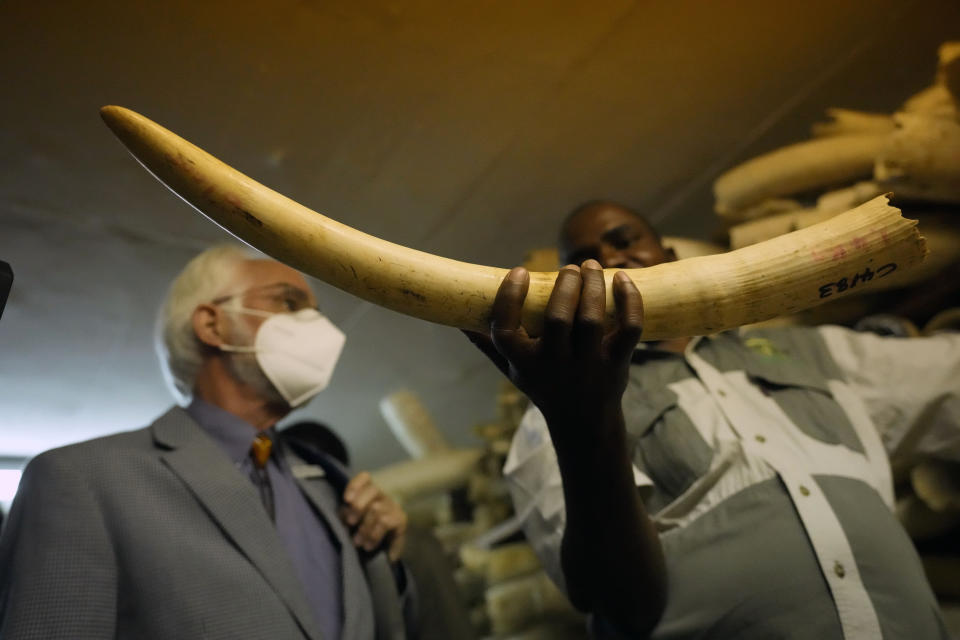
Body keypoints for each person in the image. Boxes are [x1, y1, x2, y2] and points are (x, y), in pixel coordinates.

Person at [466, 200, 960, 639]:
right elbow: (622, 605)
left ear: (673, 259)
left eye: (625, 241)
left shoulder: (813, 351)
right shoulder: (547, 422)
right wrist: (583, 422)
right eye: (582, 264)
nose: (609, 262)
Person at [0, 245, 416, 640]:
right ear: (212, 324)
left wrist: (386, 563)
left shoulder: (333, 490)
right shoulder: (82, 480)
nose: (321, 330)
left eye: (317, 313)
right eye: (289, 303)